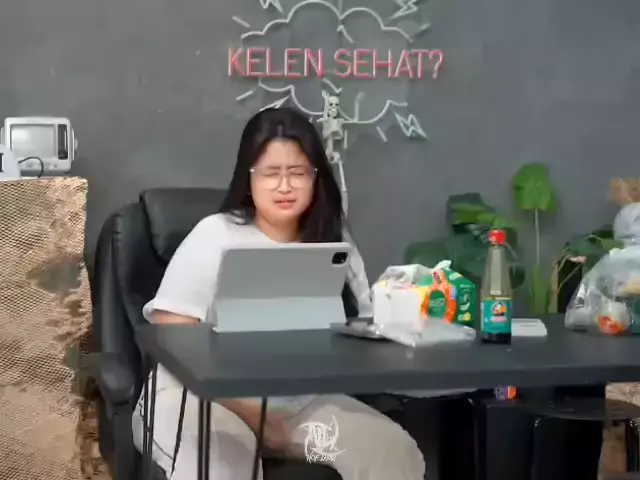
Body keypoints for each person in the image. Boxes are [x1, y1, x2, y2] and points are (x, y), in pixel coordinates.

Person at [131, 107, 426, 480]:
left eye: (297, 173)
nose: (284, 186)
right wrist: (252, 413)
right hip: (197, 399)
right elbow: (171, 333)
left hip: (296, 407)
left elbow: (364, 329)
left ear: (315, 178)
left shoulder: (334, 242)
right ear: (249, 178)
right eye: (271, 173)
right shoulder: (215, 234)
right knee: (226, 465)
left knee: (390, 453)